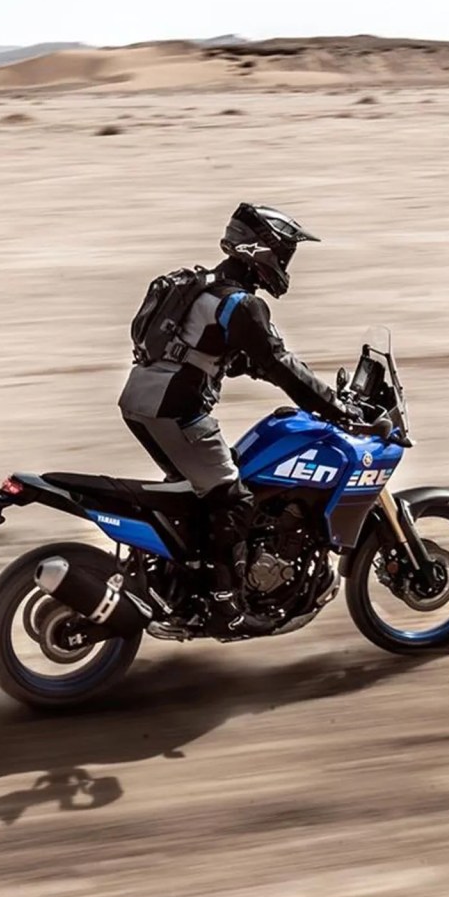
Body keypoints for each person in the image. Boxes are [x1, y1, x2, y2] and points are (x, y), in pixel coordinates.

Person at [118, 203, 351, 633]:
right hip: (175, 410)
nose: (285, 264)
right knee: (235, 500)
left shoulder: (205, 287)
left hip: (141, 400)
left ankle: (181, 582)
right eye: (283, 253)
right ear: (261, 250)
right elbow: (280, 364)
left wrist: (261, 369)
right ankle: (224, 606)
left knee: (202, 496)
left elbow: (234, 356)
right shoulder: (241, 305)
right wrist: (337, 409)